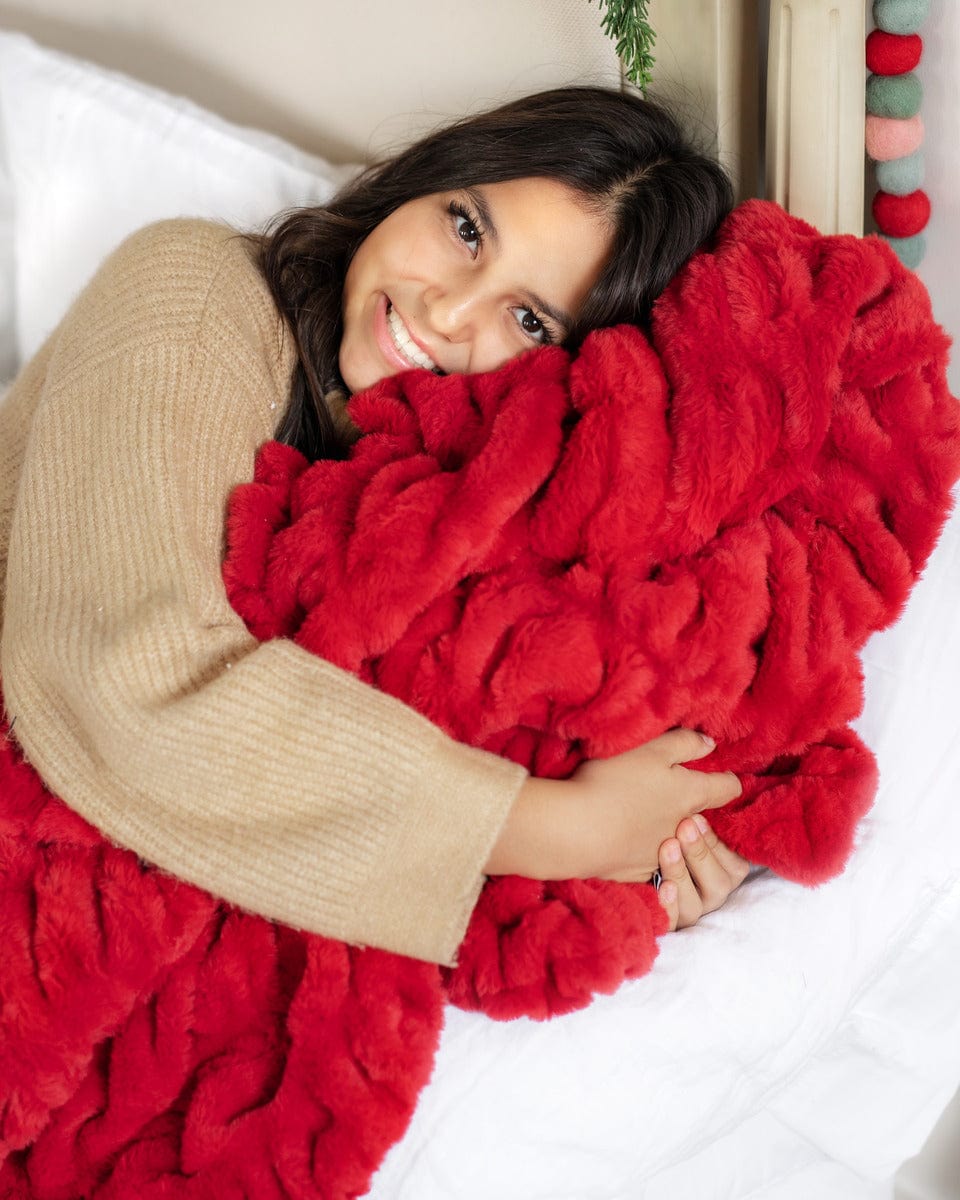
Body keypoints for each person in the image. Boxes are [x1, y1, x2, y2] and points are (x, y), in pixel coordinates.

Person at [0, 86, 746, 968]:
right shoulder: (195, 291)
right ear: (425, 182)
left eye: (530, 319)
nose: (446, 311)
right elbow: (126, 676)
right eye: (467, 229)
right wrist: (555, 832)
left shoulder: (460, 516)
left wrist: (653, 854)